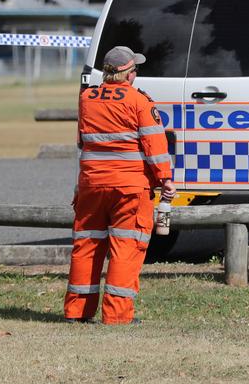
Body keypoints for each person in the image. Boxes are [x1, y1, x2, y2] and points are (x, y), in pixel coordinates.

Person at [64, 46, 176, 325]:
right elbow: (155, 145)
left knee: (87, 245)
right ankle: (116, 315)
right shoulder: (139, 100)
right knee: (126, 246)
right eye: (135, 69)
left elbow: (82, 141)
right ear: (127, 74)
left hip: (91, 184)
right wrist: (165, 179)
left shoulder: (87, 97)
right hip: (129, 186)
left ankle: (78, 312)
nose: (136, 73)